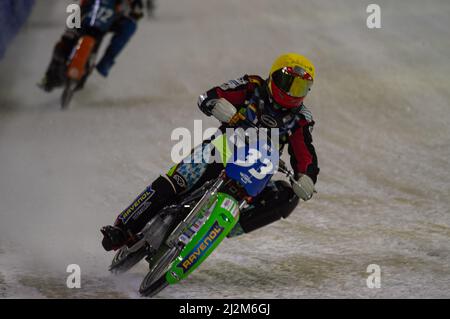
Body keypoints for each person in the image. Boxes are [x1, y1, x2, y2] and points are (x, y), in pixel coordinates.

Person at [101, 53, 320, 251]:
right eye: (288, 83)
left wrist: (307, 176)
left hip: (257, 169)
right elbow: (210, 96)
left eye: (300, 88)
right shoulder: (252, 86)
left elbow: (305, 153)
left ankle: (228, 225)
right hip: (223, 148)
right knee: (177, 182)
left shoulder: (301, 119)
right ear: (273, 77)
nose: (292, 92)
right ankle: (123, 228)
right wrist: (217, 105)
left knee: (286, 196)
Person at [39, 0, 145, 92]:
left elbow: (137, 8)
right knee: (67, 38)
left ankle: (106, 62)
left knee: (130, 26)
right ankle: (50, 74)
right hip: (86, 10)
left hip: (108, 16)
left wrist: (136, 8)